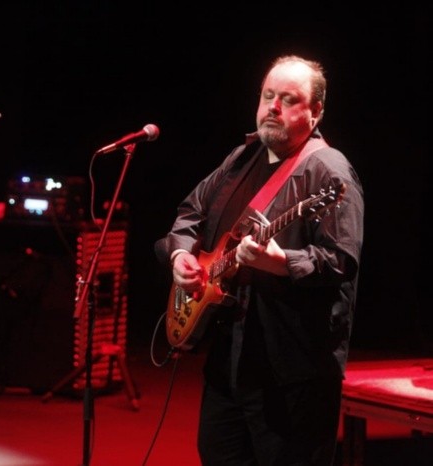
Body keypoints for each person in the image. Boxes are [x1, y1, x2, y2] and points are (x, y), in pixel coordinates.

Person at [156, 55, 364, 465]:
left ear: (315, 112)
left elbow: (342, 259)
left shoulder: (328, 171)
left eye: (289, 99)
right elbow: (190, 213)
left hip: (291, 372)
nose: (274, 107)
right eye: (268, 96)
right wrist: (180, 255)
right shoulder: (242, 157)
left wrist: (281, 261)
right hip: (229, 359)